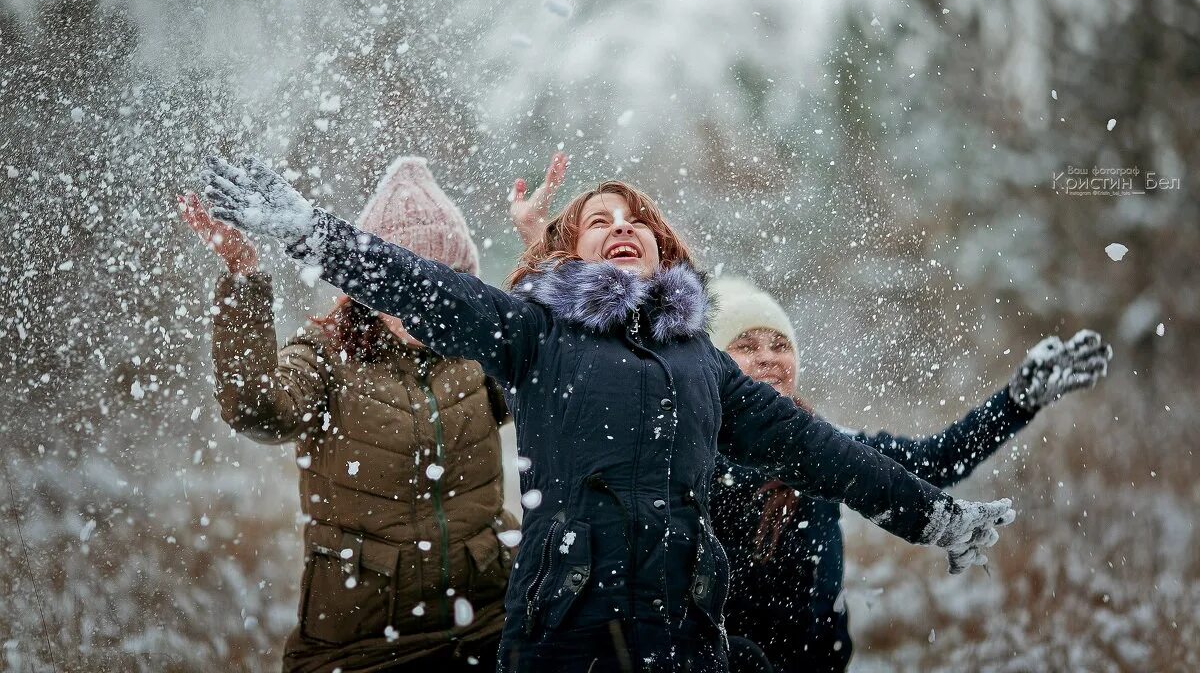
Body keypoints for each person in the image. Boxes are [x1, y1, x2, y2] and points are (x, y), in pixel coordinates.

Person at [198, 156, 1017, 673]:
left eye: (638, 224)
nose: (623, 228)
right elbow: (423, 288)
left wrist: (934, 516)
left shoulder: (707, 366)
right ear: (570, 254)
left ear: (662, 254)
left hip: (684, 642)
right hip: (565, 640)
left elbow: (827, 452)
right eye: (602, 221)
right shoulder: (535, 333)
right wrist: (307, 231)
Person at [181, 157, 519, 672]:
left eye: (440, 281)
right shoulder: (325, 355)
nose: (422, 302)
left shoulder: (478, 353)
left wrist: (543, 244)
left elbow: (560, 373)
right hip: (362, 647)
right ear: (370, 283)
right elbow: (256, 409)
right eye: (405, 281)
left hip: (489, 623)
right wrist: (245, 276)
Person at [706, 277, 1112, 672]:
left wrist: (1015, 405)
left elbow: (936, 460)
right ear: (716, 367)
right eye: (745, 345)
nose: (768, 357)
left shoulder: (826, 447)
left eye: (780, 345)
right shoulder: (691, 458)